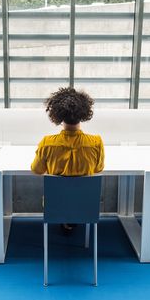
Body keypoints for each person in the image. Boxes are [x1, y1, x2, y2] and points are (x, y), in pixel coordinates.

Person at [31, 87, 105, 232]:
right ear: (84, 113)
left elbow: (36, 170)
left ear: (57, 115)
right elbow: (98, 168)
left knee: (61, 197)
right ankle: (74, 217)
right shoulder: (96, 142)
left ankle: (65, 217)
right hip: (85, 203)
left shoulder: (47, 142)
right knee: (78, 198)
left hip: (56, 203)